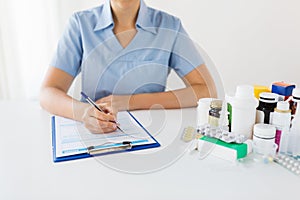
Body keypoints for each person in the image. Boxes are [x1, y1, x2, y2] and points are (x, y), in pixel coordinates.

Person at [40, 0, 217, 133]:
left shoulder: (170, 27)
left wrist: (129, 101)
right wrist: (84, 112)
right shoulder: (80, 24)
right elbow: (48, 92)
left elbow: (206, 91)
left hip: (153, 133)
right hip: (95, 136)